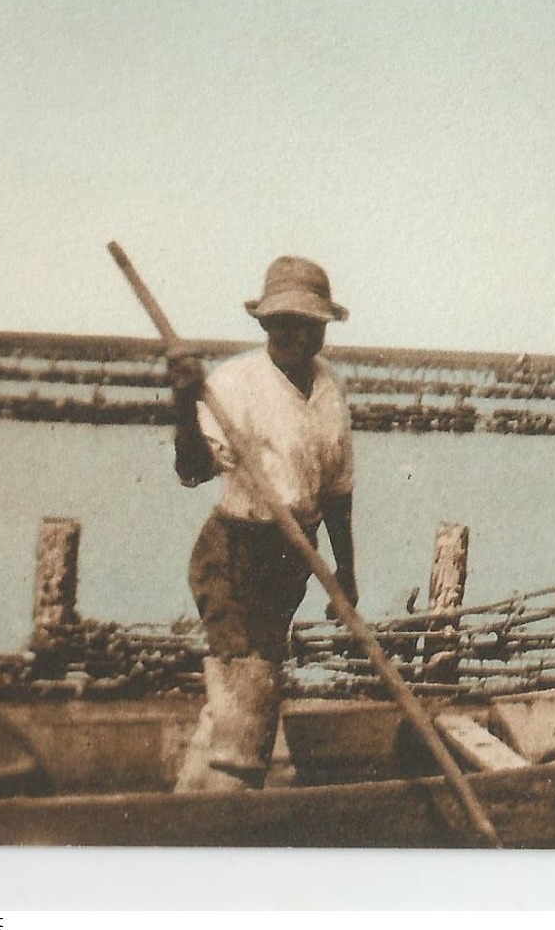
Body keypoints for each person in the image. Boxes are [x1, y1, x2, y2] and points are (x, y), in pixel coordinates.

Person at [167, 255, 357, 792]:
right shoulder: (235, 384)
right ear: (265, 325)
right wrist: (183, 401)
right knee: (244, 678)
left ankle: (199, 796)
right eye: (282, 322)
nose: (294, 333)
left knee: (257, 680)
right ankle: (226, 806)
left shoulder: (329, 390)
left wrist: (345, 574)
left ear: (323, 327)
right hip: (234, 551)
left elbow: (338, 490)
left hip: (292, 558)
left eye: (307, 323)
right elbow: (191, 471)